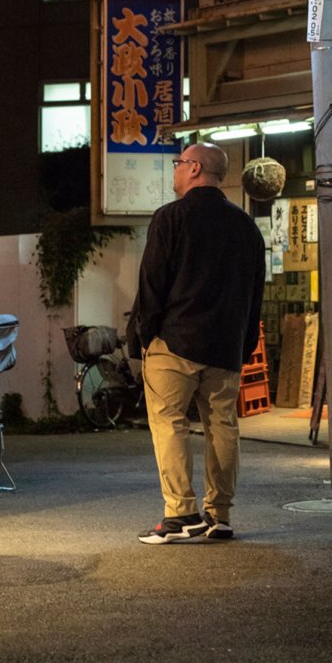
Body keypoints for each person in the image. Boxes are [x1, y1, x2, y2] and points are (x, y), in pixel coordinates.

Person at [136, 141, 266, 545]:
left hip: (174, 342)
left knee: (169, 422)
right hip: (225, 345)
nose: (175, 169)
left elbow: (152, 283)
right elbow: (255, 293)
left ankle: (181, 514)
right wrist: (243, 344)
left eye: (179, 162)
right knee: (222, 426)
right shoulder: (246, 227)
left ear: (194, 168)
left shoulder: (170, 217)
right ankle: (219, 515)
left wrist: (144, 335)